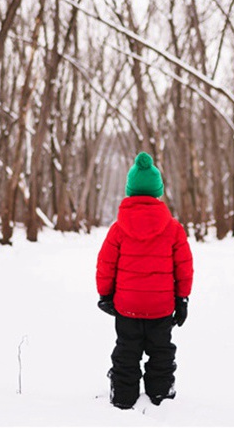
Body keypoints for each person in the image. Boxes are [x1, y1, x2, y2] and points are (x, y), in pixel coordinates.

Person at [95, 151, 194, 409]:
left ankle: (123, 397)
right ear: (158, 191)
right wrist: (182, 299)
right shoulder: (173, 228)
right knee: (161, 351)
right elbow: (184, 267)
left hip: (127, 306)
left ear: (130, 190)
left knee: (127, 351)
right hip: (161, 308)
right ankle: (161, 393)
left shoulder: (118, 228)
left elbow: (106, 264)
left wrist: (105, 295)